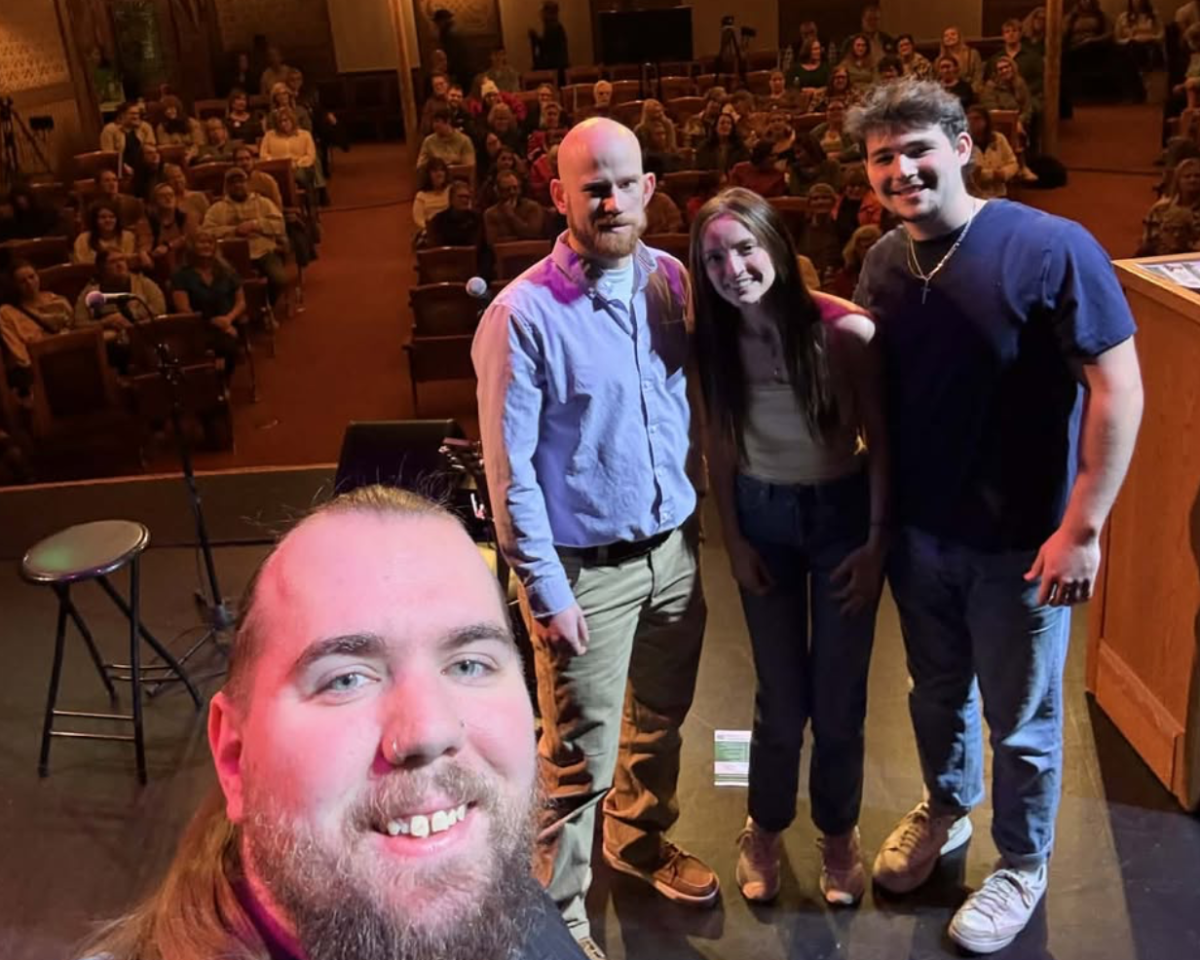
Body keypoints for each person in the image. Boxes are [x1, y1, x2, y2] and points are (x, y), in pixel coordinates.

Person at [848, 78, 1143, 954]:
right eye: (882, 158)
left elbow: (1117, 387)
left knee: (1021, 720)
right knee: (936, 693)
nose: (901, 171)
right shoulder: (882, 261)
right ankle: (946, 807)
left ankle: (1022, 860)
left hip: (1023, 542)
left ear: (964, 146)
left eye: (917, 150)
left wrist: (1083, 526)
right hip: (921, 536)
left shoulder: (1051, 246)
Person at [77, 484, 589, 960]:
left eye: (468, 664)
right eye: (346, 679)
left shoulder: (518, 910)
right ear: (234, 757)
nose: (430, 731)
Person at [472, 117, 717, 955]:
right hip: (585, 573)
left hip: (674, 557)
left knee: (661, 721)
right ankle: (558, 921)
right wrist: (543, 588)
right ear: (560, 196)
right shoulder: (523, 315)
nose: (611, 200)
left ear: (650, 189)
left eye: (624, 183)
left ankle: (638, 841)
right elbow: (510, 476)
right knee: (576, 762)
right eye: (592, 187)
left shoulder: (674, 282)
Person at [689, 187, 887, 905]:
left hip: (839, 515)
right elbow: (716, 444)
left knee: (838, 698)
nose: (733, 267)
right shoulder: (710, 341)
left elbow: (882, 443)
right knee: (780, 698)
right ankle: (764, 825)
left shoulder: (843, 331)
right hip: (762, 515)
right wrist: (732, 541)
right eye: (714, 256)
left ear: (775, 246)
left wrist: (874, 542)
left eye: (746, 248)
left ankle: (838, 833)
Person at [203, 167, 288, 300]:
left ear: (247, 183)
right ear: (227, 186)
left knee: (279, 280)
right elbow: (206, 233)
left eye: (241, 181)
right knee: (219, 286)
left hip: (263, 252)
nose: (238, 185)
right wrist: (234, 230)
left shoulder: (263, 202)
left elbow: (280, 225)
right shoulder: (217, 208)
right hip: (230, 256)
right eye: (233, 182)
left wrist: (255, 225)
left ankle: (264, 307)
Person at [170, 229, 244, 378]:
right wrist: (211, 322)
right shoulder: (181, 275)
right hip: (198, 327)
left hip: (226, 324)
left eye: (210, 242)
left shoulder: (227, 271)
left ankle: (222, 388)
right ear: (192, 246)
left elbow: (241, 302)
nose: (206, 246)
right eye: (201, 242)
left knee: (229, 349)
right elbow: (184, 310)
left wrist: (228, 319)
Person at [0, 260, 76, 383]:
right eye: (22, 281)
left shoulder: (56, 299)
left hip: (70, 354)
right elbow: (18, 352)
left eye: (32, 277)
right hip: (39, 365)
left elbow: (77, 330)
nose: (29, 283)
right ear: (14, 285)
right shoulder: (6, 312)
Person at [74, 249, 166, 327]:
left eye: (121, 260)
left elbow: (160, 308)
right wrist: (105, 322)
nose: (119, 265)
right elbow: (79, 323)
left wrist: (130, 315)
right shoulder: (90, 292)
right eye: (112, 262)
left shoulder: (143, 283)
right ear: (102, 268)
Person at [1140, 156, 1200, 253]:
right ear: (1178, 180)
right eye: (1187, 176)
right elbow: (1147, 242)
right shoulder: (1160, 208)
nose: (1192, 180)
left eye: (1197, 176)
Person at [74, 198, 150, 270]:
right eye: (103, 217)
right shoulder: (83, 239)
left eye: (112, 217)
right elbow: (82, 266)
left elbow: (128, 262)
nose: (108, 220)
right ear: (95, 220)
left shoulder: (128, 236)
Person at [484, 170, 547, 246]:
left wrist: (511, 216)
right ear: (498, 191)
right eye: (507, 189)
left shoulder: (533, 207)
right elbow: (493, 242)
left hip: (531, 254)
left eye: (515, 188)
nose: (512, 192)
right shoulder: (490, 214)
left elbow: (533, 235)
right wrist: (521, 238)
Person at [146, 180, 195, 277]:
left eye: (171, 195)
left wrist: (169, 246)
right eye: (163, 196)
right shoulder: (149, 220)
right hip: (157, 266)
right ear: (155, 201)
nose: (168, 198)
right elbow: (144, 240)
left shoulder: (186, 217)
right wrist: (144, 253)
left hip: (184, 265)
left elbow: (189, 237)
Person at [100, 101, 156, 176]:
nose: (136, 117)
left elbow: (151, 149)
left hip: (144, 168)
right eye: (132, 114)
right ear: (122, 115)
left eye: (138, 114)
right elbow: (109, 157)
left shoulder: (145, 127)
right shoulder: (110, 130)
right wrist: (123, 167)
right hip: (121, 171)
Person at [827, 223, 883, 298]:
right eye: (866, 247)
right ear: (856, 249)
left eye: (874, 246)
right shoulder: (845, 277)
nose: (870, 251)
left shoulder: (891, 273)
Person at [425, 179, 484, 250]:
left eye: (467, 197)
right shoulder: (438, 220)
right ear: (451, 199)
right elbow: (436, 249)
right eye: (461, 196)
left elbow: (477, 246)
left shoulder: (476, 218)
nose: (464, 200)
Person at [1116, 0, 1164, 74]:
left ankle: (1147, 67)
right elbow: (1117, 39)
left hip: (1150, 44)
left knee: (1151, 48)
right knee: (1133, 46)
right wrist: (1129, 40)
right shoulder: (1123, 17)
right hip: (1131, 45)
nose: (1137, 1)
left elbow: (1162, 34)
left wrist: (1152, 38)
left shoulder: (1153, 15)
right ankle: (1136, 71)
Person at [433, 8, 474, 91]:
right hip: (467, 70)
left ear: (442, 21)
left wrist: (448, 72)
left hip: (459, 72)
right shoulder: (458, 29)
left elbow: (452, 56)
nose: (436, 25)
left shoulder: (449, 34)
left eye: (437, 22)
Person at [413, 157, 452, 235]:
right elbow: (418, 219)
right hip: (430, 232)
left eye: (442, 170)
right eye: (435, 171)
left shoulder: (452, 190)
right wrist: (430, 230)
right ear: (428, 174)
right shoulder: (421, 195)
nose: (439, 174)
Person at [529, 0, 569, 74]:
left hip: (554, 70)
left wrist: (535, 40)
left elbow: (547, 50)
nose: (541, 15)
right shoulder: (557, 27)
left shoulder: (553, 28)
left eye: (542, 12)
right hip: (559, 69)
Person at [940, 26, 984, 90]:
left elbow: (978, 76)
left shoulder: (972, 54)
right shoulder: (939, 59)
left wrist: (971, 91)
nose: (949, 37)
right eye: (946, 36)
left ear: (959, 37)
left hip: (970, 91)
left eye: (953, 34)